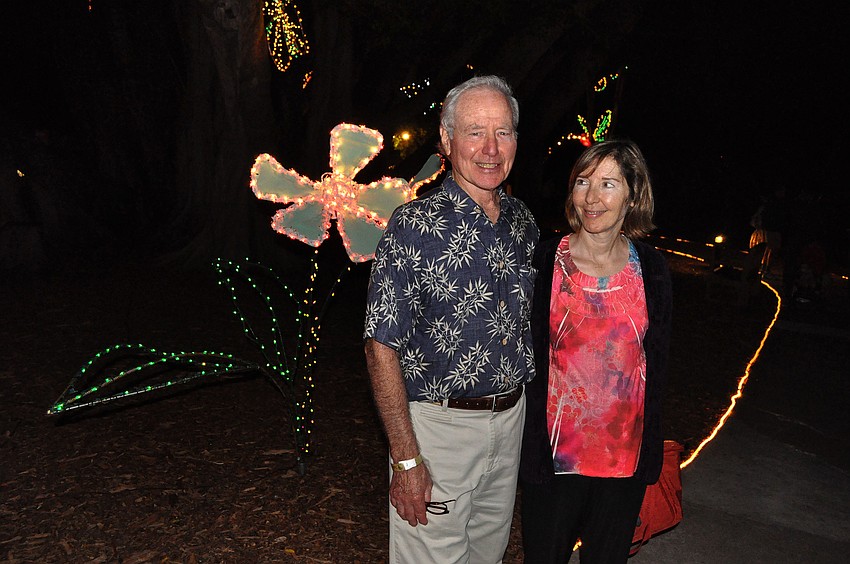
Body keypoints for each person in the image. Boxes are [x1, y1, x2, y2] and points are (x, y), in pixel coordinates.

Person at [364, 75, 539, 563]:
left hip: (510, 422)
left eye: (502, 132)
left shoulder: (524, 224)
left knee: (489, 555)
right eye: (474, 131)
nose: (490, 148)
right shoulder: (413, 226)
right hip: (437, 430)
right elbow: (380, 345)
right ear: (446, 139)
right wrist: (406, 457)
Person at [519, 140, 672, 563]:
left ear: (633, 195)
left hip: (622, 465)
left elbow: (656, 366)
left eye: (608, 184)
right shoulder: (545, 258)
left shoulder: (652, 269)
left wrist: (650, 459)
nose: (592, 197)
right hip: (553, 462)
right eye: (583, 182)